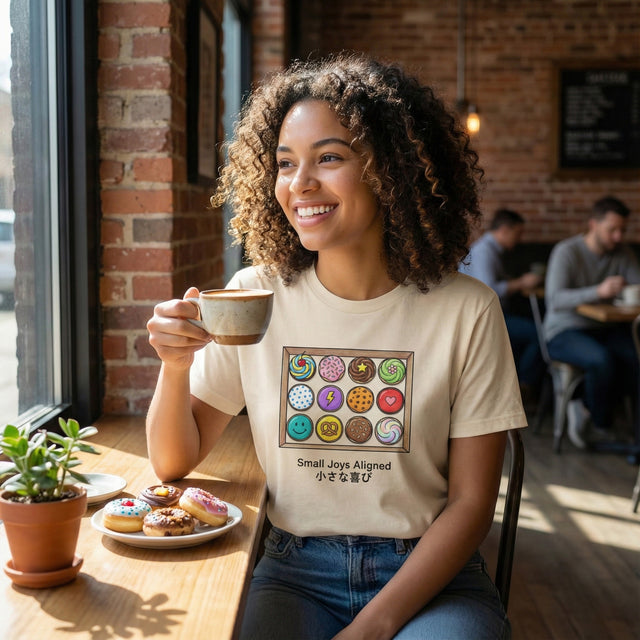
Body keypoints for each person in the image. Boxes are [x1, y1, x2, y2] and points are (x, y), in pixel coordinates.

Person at [146, 53, 525, 640]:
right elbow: (173, 461)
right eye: (284, 163)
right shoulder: (252, 295)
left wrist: (373, 627)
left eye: (329, 157)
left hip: (431, 574)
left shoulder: (467, 309)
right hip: (294, 569)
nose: (300, 185)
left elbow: (472, 505)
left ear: (390, 171)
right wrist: (175, 367)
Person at [543, 196, 640, 448]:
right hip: (563, 330)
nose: (618, 236)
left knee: (635, 357)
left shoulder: (623, 253)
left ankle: (627, 432)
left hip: (604, 328)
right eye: (612, 230)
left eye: (622, 230)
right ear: (593, 225)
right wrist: (599, 291)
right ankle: (593, 416)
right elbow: (555, 299)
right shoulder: (567, 251)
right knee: (602, 360)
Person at [459, 208, 544, 403]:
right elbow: (490, 290)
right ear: (505, 230)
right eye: (518, 233)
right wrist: (522, 282)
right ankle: (523, 387)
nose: (520, 238)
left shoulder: (492, 250)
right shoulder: (484, 252)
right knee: (538, 334)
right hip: (483, 318)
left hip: (492, 314)